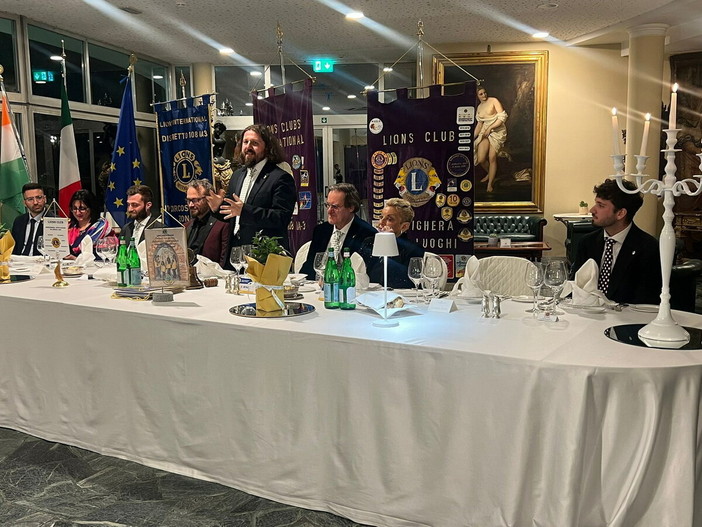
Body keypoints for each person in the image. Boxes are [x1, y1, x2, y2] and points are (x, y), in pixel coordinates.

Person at [206, 124, 296, 255]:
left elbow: (281, 218)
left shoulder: (280, 178)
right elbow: (232, 215)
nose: (248, 147)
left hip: (265, 254)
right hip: (236, 251)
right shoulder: (237, 175)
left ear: (267, 147)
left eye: (254, 143)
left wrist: (245, 211)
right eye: (245, 142)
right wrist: (217, 208)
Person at [571, 178, 661, 305]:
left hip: (627, 315)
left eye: (601, 205)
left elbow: (647, 299)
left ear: (620, 213)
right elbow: (575, 287)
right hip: (587, 313)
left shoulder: (648, 247)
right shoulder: (587, 243)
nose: (592, 210)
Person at [300, 183, 376, 279]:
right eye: (328, 205)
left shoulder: (367, 234)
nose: (329, 211)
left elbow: (364, 273)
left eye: (335, 207)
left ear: (351, 207)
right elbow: (309, 265)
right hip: (315, 285)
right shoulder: (321, 230)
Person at [360, 198, 425, 288]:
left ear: (404, 226)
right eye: (381, 217)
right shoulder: (369, 242)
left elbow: (408, 282)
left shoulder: (414, 249)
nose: (381, 223)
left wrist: (389, 242)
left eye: (389, 219)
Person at [184, 179, 229, 267]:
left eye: (195, 200)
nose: (190, 205)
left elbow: (223, 263)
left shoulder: (222, 225)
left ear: (209, 199)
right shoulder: (186, 226)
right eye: (188, 200)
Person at [474, 85, 507, 193]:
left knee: (492, 157)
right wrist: (472, 137)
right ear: (477, 96)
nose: (484, 95)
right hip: (485, 132)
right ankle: (490, 173)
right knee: (481, 159)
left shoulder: (494, 100)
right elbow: (480, 124)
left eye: (485, 92)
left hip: (497, 131)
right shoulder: (479, 107)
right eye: (481, 94)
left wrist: (490, 128)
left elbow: (502, 118)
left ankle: (490, 184)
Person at [66, 189, 109, 258]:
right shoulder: (68, 227)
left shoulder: (101, 227)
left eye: (82, 208)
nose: (78, 212)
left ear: (91, 208)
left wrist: (77, 260)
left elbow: (105, 255)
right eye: (74, 208)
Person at [11, 183, 49, 256]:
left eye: (39, 198)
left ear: (45, 199)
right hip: (18, 261)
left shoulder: (54, 221)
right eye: (30, 199)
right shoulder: (19, 221)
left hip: (41, 261)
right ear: (24, 203)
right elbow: (14, 249)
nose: (35, 202)